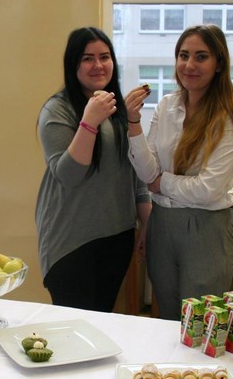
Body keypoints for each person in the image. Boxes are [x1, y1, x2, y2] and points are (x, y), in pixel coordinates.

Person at [124, 24, 233, 320]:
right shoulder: (167, 105)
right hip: (162, 223)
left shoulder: (232, 112)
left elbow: (209, 189)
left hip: (205, 228)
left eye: (201, 57)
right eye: (183, 55)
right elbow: (147, 172)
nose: (189, 65)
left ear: (219, 64)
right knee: (168, 318)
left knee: (201, 324)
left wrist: (161, 183)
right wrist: (133, 123)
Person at [35, 27, 152, 313]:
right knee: (74, 325)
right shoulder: (58, 110)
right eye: (87, 58)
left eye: (105, 56)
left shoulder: (118, 109)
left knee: (102, 319)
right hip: (71, 240)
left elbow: (135, 173)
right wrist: (89, 122)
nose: (98, 65)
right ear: (73, 64)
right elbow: (69, 175)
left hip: (117, 235)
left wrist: (147, 224)